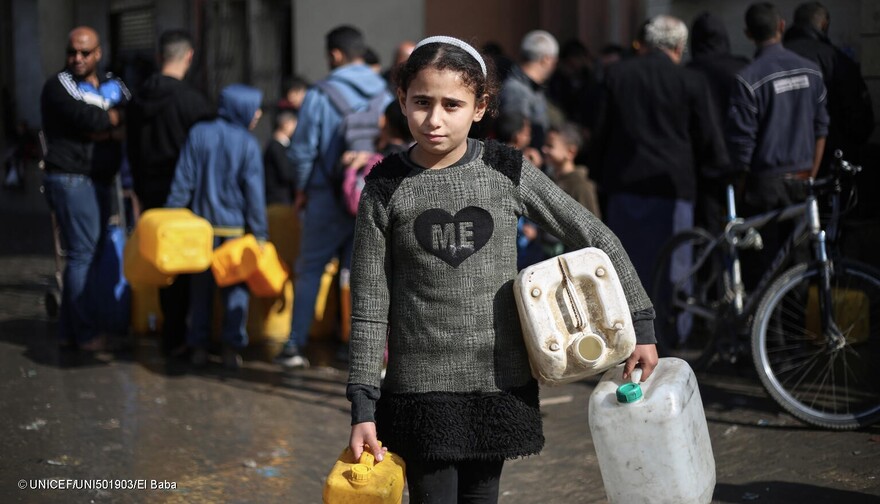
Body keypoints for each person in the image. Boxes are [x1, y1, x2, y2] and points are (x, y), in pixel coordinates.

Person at [346, 35, 658, 504]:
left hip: (498, 381)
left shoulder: (505, 169)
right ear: (402, 100)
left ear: (480, 106)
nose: (434, 119)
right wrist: (363, 405)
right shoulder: (385, 186)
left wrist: (641, 323)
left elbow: (595, 236)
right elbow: (370, 302)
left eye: (452, 104)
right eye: (421, 102)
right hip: (419, 388)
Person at [274, 26, 389, 369]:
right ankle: (355, 347)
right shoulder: (382, 93)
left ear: (335, 54)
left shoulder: (319, 96)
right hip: (367, 196)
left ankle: (295, 345)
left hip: (325, 198)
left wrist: (304, 191)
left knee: (310, 270)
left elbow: (302, 153)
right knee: (361, 275)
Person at [590, 15, 727, 295]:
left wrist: (597, 174)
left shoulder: (618, 74)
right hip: (673, 187)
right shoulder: (691, 80)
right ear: (679, 47)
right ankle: (674, 335)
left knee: (626, 272)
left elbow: (600, 131)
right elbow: (708, 138)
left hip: (625, 184)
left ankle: (631, 335)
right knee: (674, 271)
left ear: (646, 44)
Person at [165, 84, 267, 370]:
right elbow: (254, 194)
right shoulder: (247, 143)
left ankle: (198, 346)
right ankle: (231, 349)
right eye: (254, 108)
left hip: (199, 235)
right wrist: (259, 233)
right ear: (241, 108)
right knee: (235, 294)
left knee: (201, 292)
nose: (258, 114)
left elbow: (182, 182)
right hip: (234, 235)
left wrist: (172, 219)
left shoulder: (199, 134)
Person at [126, 29, 214, 357]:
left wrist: (137, 191)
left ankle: (172, 335)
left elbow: (131, 150)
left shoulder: (136, 99)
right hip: (185, 196)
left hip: (150, 192)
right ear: (189, 57)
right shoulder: (192, 102)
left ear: (161, 56)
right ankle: (192, 336)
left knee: (164, 266)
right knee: (188, 262)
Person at [727, 2, 829, 282]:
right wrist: (812, 173)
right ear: (782, 26)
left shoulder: (748, 79)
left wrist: (741, 187)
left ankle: (768, 326)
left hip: (765, 188)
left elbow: (742, 145)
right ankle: (794, 325)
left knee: (765, 270)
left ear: (748, 33)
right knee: (800, 267)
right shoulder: (812, 71)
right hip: (803, 182)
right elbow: (822, 128)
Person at [40, 26, 121, 351]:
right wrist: (108, 125)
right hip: (72, 179)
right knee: (81, 256)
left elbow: (125, 112)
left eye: (85, 53)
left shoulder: (111, 84)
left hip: (96, 179)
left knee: (89, 254)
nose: (77, 58)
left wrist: (110, 127)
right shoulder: (59, 85)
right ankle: (85, 334)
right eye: (72, 52)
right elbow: (88, 119)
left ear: (98, 53)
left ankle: (70, 332)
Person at [783, 2, 873, 169]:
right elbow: (859, 117)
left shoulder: (772, 60)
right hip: (828, 158)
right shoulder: (836, 60)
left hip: (781, 160)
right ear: (824, 24)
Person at [687, 12, 750, 232]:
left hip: (702, 164)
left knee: (708, 229)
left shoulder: (689, 73)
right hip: (739, 159)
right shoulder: (742, 67)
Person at [499, 30, 559, 149]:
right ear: (546, 59)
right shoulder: (516, 90)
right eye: (554, 61)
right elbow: (514, 137)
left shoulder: (535, 88)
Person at [543, 122, 601, 219]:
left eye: (550, 146)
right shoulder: (550, 177)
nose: (544, 149)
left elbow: (592, 225)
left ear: (570, 152)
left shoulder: (581, 185)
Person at [263, 110, 297, 205]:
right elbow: (287, 173)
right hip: (279, 201)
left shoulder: (277, 146)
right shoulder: (276, 147)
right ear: (286, 124)